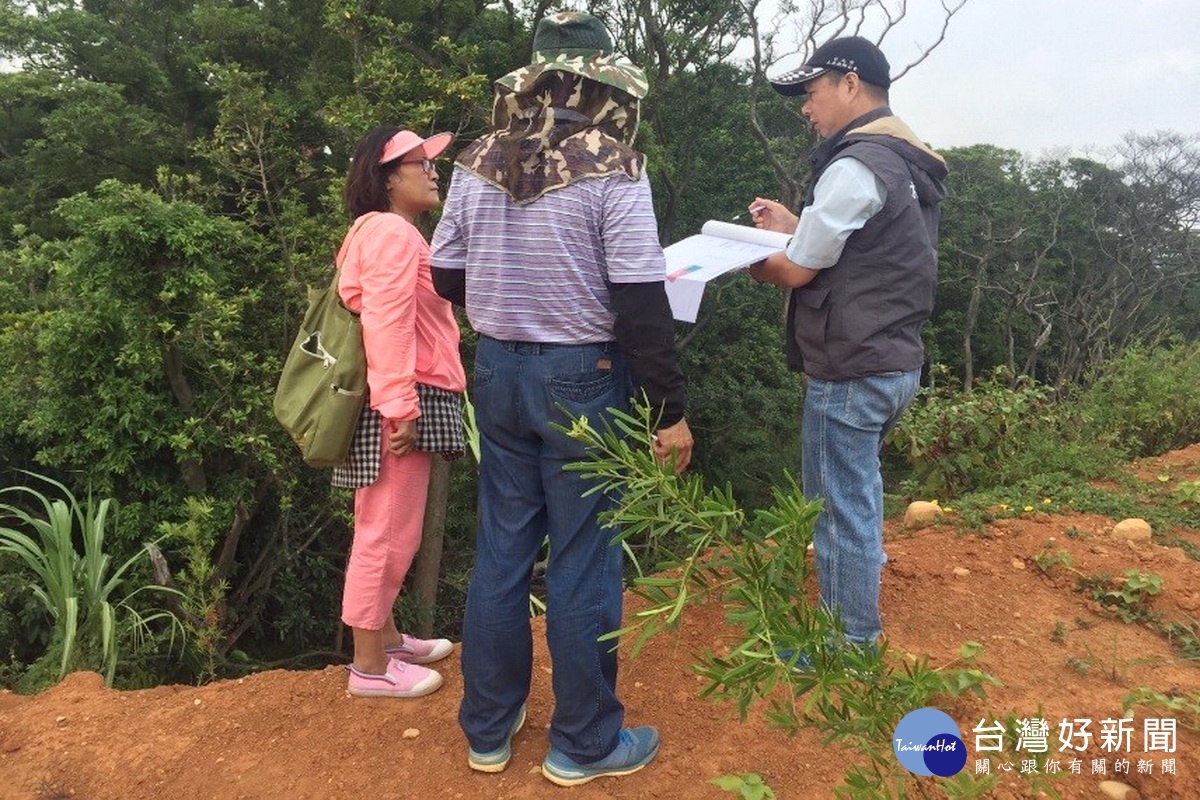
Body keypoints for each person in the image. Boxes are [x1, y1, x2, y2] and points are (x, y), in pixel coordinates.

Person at [430, 10, 693, 786]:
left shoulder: (477, 159)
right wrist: (670, 410)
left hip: (500, 373)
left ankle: (488, 726)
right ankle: (582, 744)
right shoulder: (615, 166)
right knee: (583, 560)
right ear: (602, 85)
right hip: (583, 379)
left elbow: (446, 277)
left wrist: (510, 277)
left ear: (534, 78)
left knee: (503, 549)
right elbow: (641, 302)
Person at [745, 37, 948, 658]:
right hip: (894, 360)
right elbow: (859, 244)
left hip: (851, 367)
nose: (807, 107)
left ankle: (849, 641)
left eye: (811, 93)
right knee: (858, 491)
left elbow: (800, 271)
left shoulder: (855, 164)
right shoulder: (904, 160)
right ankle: (856, 606)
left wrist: (753, 259)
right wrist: (797, 224)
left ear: (849, 84)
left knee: (839, 506)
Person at [331, 126, 468, 698]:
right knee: (387, 528)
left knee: (391, 524)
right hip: (400, 396)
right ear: (387, 177)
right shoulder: (390, 232)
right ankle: (369, 667)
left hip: (403, 391)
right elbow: (384, 322)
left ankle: (385, 639)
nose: (433, 172)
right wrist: (399, 408)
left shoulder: (389, 230)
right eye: (419, 163)